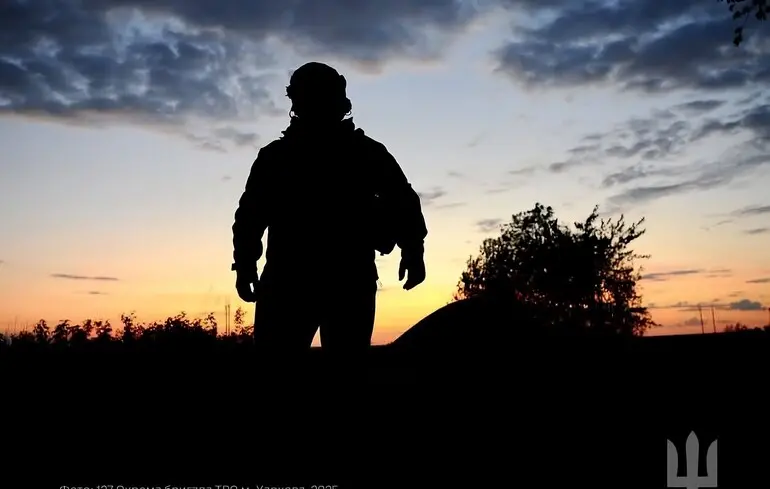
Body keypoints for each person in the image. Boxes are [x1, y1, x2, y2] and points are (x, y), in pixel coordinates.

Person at [231, 62, 428, 354]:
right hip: (309, 282)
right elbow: (250, 217)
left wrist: (414, 250)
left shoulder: (281, 157)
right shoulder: (361, 153)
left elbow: (403, 201)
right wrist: (245, 265)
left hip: (324, 282)